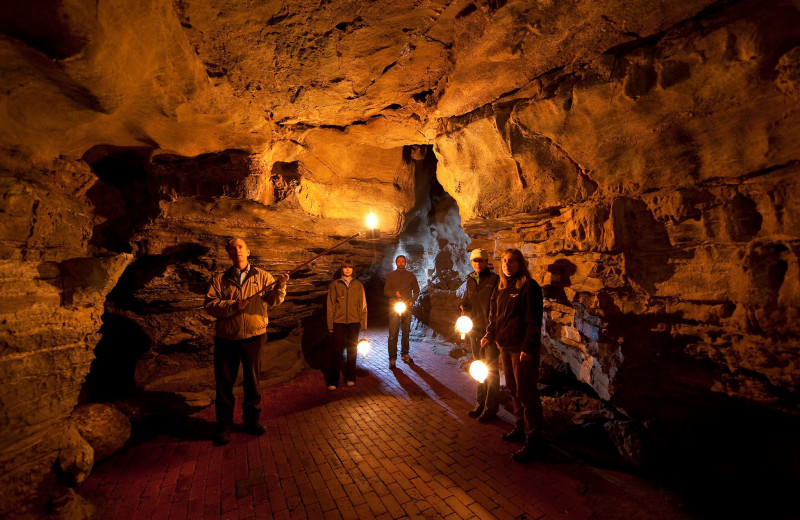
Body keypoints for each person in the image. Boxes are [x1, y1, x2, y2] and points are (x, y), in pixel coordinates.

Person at [204, 238, 289, 446]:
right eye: (232, 248)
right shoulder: (220, 280)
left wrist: (280, 286)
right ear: (229, 254)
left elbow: (274, 300)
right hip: (227, 338)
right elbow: (210, 305)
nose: (237, 251)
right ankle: (224, 425)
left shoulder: (262, 276)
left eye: (240, 247)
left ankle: (252, 420)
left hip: (255, 336)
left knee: (252, 381)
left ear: (248, 251)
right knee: (224, 383)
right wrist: (233, 305)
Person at [481, 248, 544, 463]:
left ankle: (533, 441)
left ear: (520, 263)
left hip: (521, 350)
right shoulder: (502, 287)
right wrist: (490, 335)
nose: (507, 265)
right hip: (505, 347)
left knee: (527, 393)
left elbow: (532, 320)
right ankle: (519, 427)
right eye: (505, 261)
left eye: (512, 261)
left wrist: (528, 347)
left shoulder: (528, 287)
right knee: (514, 390)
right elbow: (494, 315)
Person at [460, 248, 500, 422]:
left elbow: (497, 309)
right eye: (475, 261)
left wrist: (491, 333)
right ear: (471, 262)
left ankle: (491, 408)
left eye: (481, 261)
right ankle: (479, 404)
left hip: (489, 332)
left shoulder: (495, 280)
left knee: (490, 370)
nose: (478, 263)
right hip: (474, 330)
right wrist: (463, 306)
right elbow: (469, 301)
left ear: (486, 262)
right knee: (479, 368)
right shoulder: (470, 280)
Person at [326, 259, 368, 390]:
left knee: (352, 351)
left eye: (350, 267)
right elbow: (330, 305)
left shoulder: (358, 285)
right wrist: (330, 324)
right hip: (338, 322)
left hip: (354, 322)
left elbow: (363, 305)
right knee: (336, 352)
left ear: (353, 270)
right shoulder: (335, 285)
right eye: (345, 267)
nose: (348, 269)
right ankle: (333, 381)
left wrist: (364, 324)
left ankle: (350, 377)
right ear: (342, 269)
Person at [383, 255, 420, 369]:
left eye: (403, 261)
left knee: (405, 332)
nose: (401, 263)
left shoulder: (411, 276)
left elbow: (417, 290)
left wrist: (412, 301)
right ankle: (392, 358)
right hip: (394, 307)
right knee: (393, 333)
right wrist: (395, 294)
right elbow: (386, 291)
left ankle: (405, 354)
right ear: (396, 263)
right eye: (399, 261)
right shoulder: (391, 275)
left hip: (406, 307)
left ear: (405, 263)